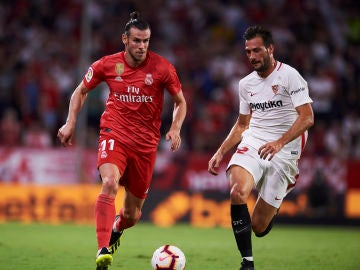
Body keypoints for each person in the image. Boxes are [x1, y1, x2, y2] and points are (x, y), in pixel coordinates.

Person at [57, 11, 187, 270]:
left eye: (146, 41)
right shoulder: (107, 64)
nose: (142, 46)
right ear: (125, 40)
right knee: (109, 182)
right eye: (137, 41)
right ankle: (103, 249)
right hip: (114, 134)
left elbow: (180, 102)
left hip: (146, 146)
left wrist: (175, 127)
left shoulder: (162, 68)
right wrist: (71, 121)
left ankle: (117, 227)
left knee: (131, 215)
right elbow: (80, 91)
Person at [208, 25, 314, 270]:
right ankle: (247, 262)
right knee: (237, 192)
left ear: (270, 49)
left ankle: (272, 207)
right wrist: (221, 151)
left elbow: (307, 118)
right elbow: (243, 124)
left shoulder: (290, 76)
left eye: (257, 51)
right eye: (248, 52)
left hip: (285, 150)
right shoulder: (245, 84)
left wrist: (279, 142)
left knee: (259, 227)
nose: (253, 57)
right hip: (254, 140)